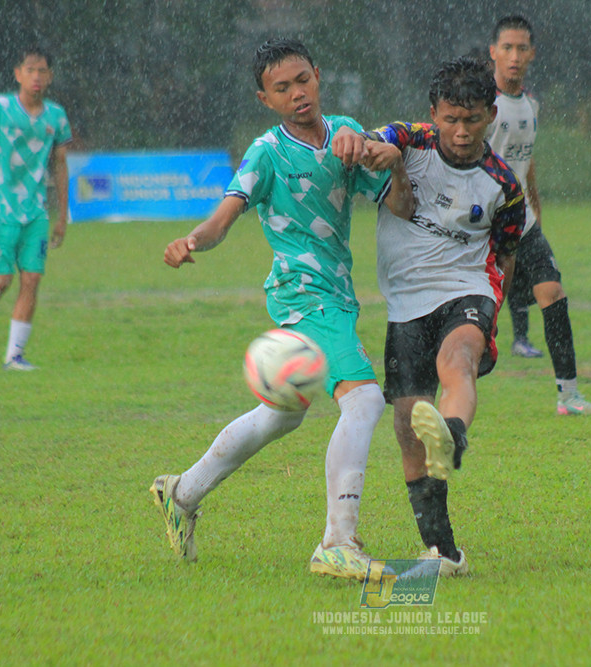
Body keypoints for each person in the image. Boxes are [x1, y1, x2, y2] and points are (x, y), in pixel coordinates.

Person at [150, 38, 414, 579]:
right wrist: (192, 242)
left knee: (283, 414)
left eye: (302, 80)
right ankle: (337, 542)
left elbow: (400, 203)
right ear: (264, 98)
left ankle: (184, 492)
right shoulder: (266, 152)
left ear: (318, 75)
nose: (297, 94)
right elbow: (223, 217)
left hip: (338, 294)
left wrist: (386, 154)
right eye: (281, 88)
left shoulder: (345, 131)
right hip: (302, 293)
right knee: (363, 400)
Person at [334, 56, 525, 576]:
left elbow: (505, 256)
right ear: (434, 114)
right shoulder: (411, 139)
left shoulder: (504, 185)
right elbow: (372, 139)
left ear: (491, 115)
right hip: (405, 305)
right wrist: (382, 151)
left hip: (468, 288)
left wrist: (491, 315)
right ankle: (443, 552)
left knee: (457, 359)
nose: (461, 132)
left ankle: (455, 432)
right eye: (450, 119)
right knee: (406, 426)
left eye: (473, 120)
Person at [486, 15, 591, 415]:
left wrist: (534, 206)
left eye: (522, 48)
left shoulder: (532, 104)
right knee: (469, 314)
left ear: (532, 53)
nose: (515, 56)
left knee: (552, 294)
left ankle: (569, 396)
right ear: (493, 52)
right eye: (507, 47)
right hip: (483, 227)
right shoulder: (480, 106)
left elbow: (526, 163)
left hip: (523, 223)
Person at [0, 45, 71, 371]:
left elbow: (61, 165)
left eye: (42, 71)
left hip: (36, 212)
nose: (36, 77)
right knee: (1, 281)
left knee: (32, 279)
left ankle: (14, 356)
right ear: (18, 74)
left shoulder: (56, 116)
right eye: (30, 70)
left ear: (50, 76)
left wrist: (62, 214)